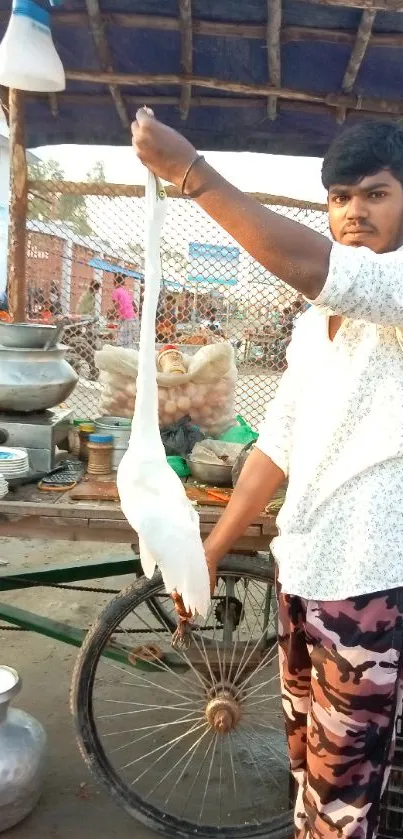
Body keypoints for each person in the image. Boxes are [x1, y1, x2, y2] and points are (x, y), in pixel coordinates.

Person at [134, 114, 403, 838]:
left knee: (344, 794)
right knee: (307, 770)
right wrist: (212, 547)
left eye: (374, 194)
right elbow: (275, 441)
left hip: (368, 583)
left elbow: (318, 266)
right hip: (301, 570)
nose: (353, 212)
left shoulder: (394, 285)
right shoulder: (316, 321)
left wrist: (192, 174)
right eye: (339, 198)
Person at [111, 273, 138, 348]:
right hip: (133, 319)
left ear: (114, 281)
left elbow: (116, 305)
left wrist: (115, 314)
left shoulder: (115, 291)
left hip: (126, 318)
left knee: (121, 342)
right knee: (129, 342)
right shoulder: (127, 291)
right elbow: (135, 308)